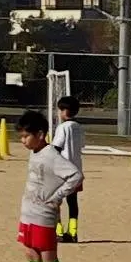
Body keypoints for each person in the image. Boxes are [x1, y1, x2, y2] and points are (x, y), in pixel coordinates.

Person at [9, 109, 83, 262]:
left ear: (40, 134)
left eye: (26, 136)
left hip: (44, 216)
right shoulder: (35, 153)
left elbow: (76, 175)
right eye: (21, 136)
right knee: (31, 257)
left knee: (49, 261)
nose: (23, 141)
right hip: (28, 214)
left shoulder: (51, 154)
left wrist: (57, 196)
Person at [52, 95, 85, 243]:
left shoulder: (62, 127)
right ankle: (73, 232)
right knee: (73, 202)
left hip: (62, 171)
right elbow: (81, 146)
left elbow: (56, 148)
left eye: (60, 110)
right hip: (76, 170)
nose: (59, 113)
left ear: (65, 111)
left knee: (55, 201)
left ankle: (58, 231)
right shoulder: (79, 127)